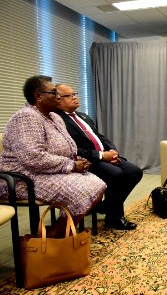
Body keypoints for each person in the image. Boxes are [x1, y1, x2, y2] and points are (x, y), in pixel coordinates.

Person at [0, 75, 107, 237]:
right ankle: (53, 237)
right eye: (53, 92)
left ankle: (56, 232)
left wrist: (76, 160)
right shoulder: (26, 117)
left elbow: (67, 148)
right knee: (85, 189)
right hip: (18, 179)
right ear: (38, 96)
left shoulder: (54, 117)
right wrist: (71, 165)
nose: (58, 96)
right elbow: (33, 157)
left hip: (42, 173)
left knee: (97, 184)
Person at [55, 84, 143, 230]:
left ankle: (103, 206)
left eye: (74, 94)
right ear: (58, 100)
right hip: (86, 161)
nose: (75, 97)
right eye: (69, 95)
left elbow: (100, 136)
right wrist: (102, 156)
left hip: (105, 156)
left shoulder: (83, 116)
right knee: (116, 174)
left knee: (135, 172)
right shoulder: (58, 121)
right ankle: (114, 218)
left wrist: (113, 151)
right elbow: (73, 149)